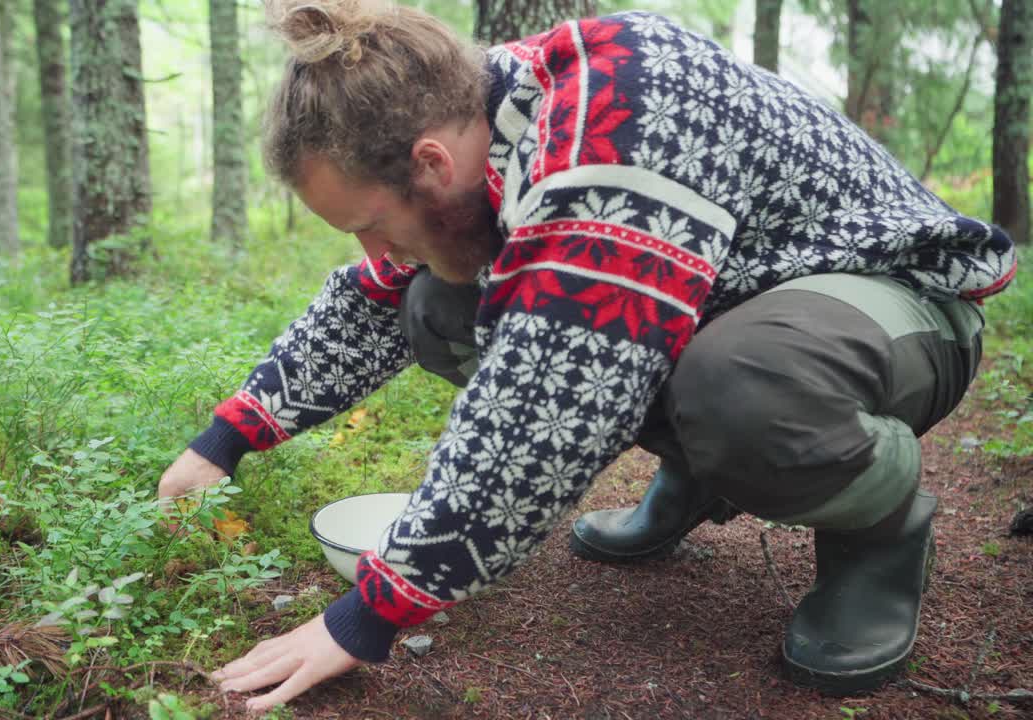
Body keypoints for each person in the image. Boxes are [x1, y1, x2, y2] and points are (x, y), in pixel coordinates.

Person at [158, 0, 1017, 712]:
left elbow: (549, 402)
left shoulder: (612, 124)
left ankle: (877, 527)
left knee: (741, 386)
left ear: (430, 163)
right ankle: (703, 468)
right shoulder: (479, 119)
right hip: (742, 303)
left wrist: (368, 615)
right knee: (434, 301)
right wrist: (224, 440)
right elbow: (375, 302)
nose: (376, 247)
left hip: (899, 302)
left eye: (371, 222)